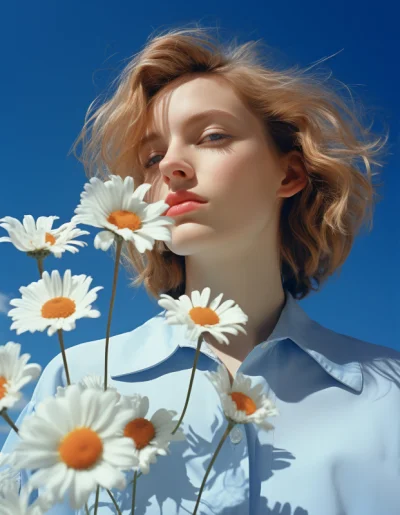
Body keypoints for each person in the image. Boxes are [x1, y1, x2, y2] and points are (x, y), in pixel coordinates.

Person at [2, 26, 399, 514]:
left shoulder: (389, 392)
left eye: (212, 136)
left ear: (290, 173)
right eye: (151, 157)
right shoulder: (77, 378)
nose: (171, 165)